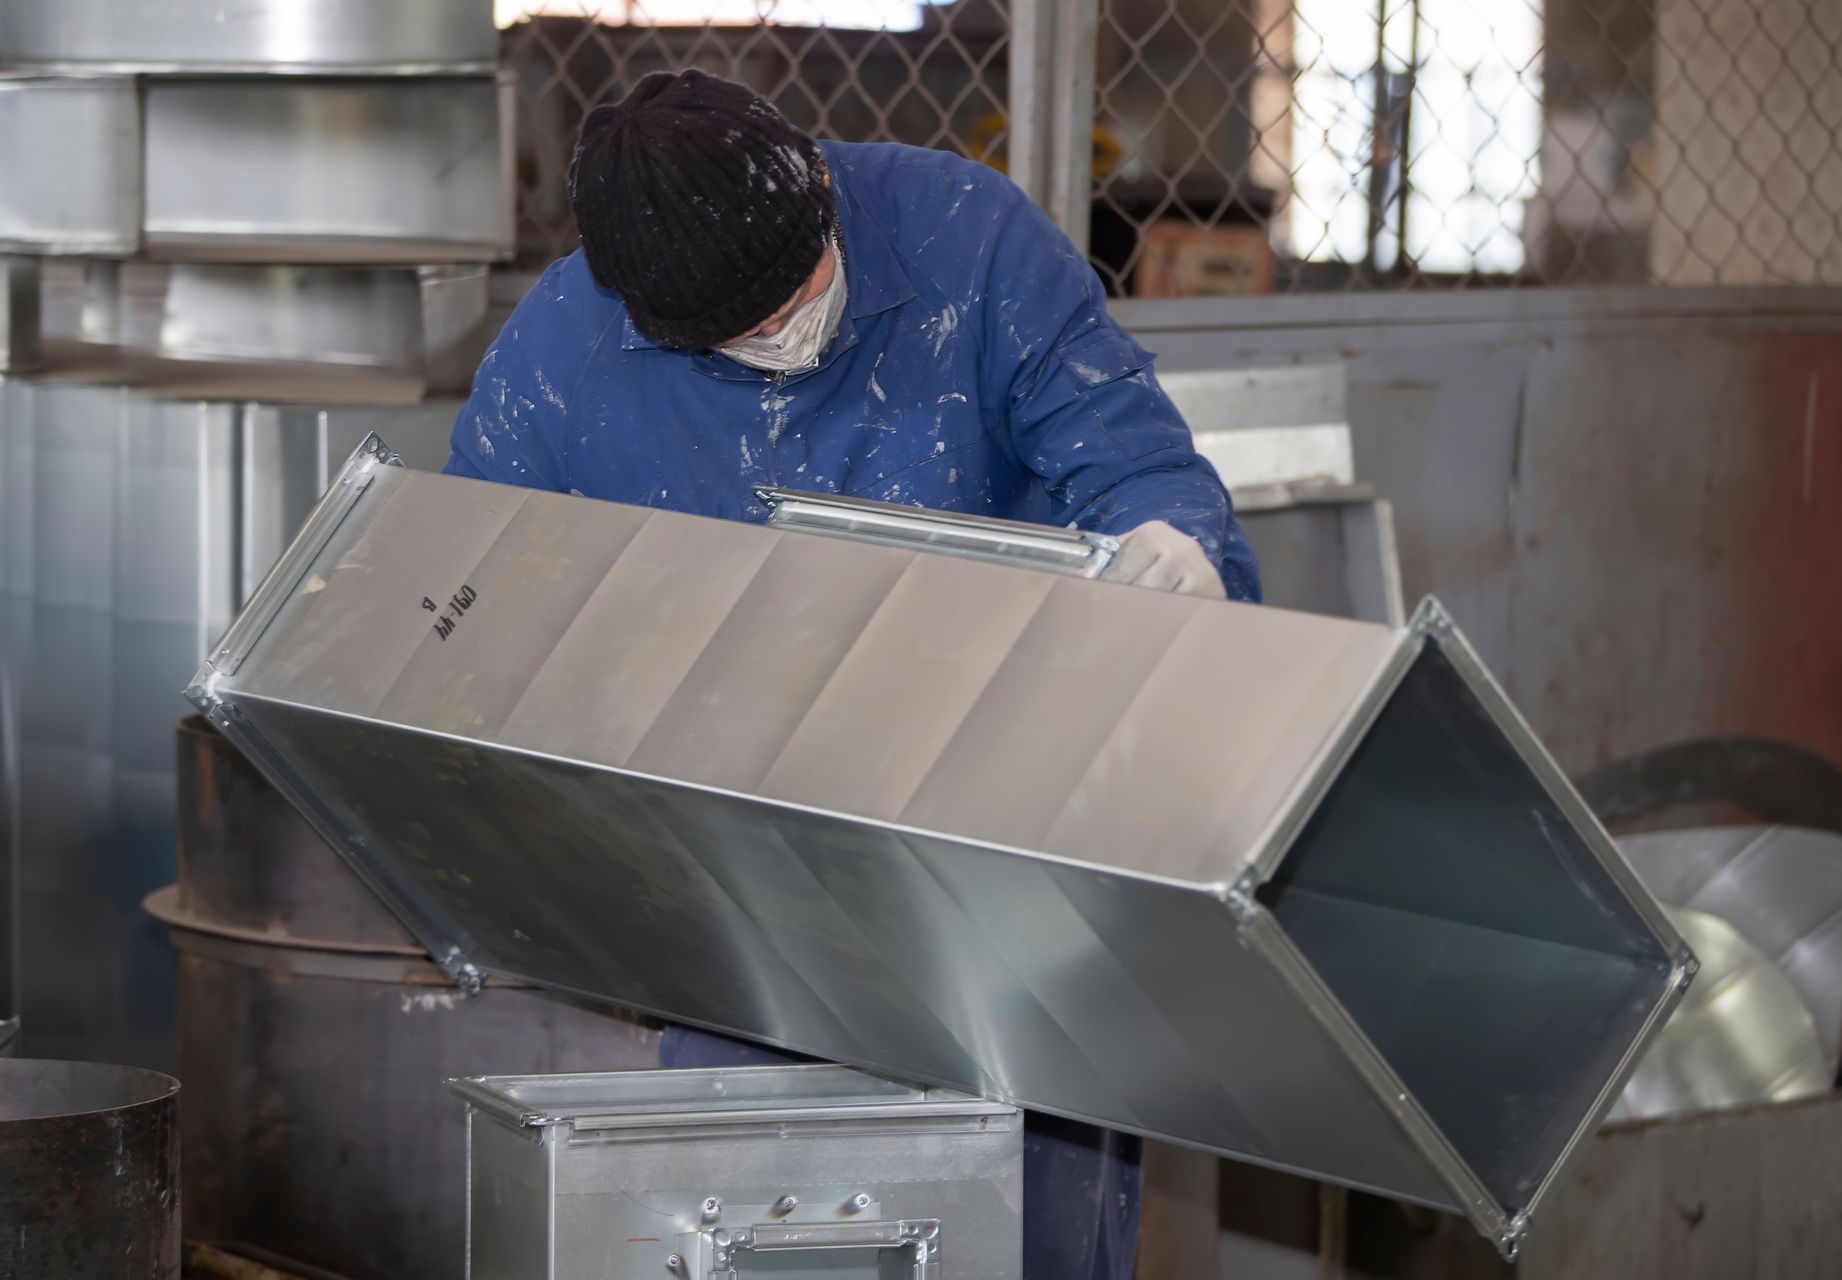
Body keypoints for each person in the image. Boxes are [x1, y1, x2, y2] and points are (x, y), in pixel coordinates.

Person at [446, 68, 1260, 1280]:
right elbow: (469, 634)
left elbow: (1133, 459)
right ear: (653, 316)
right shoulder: (557, 365)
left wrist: (1174, 549)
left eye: (807, 276)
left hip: (1021, 864)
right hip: (749, 908)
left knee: (1038, 1229)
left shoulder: (964, 235)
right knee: (770, 1229)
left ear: (817, 181)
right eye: (750, 322)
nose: (795, 318)